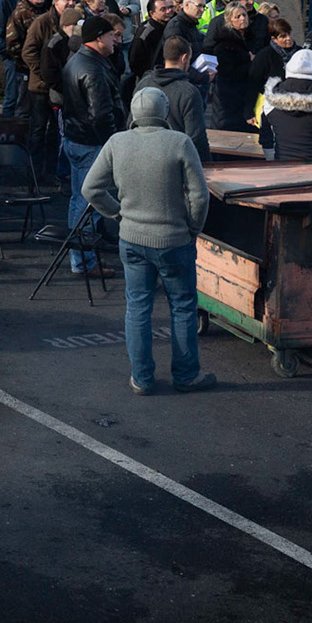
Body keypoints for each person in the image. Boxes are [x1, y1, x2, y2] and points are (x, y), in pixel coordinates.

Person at [83, 87, 215, 395]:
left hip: (131, 238)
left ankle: (141, 379)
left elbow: (91, 190)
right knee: (182, 306)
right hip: (174, 239)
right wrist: (193, 227)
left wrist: (117, 214)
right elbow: (199, 195)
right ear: (164, 111)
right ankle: (186, 375)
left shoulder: (117, 142)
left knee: (137, 307)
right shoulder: (179, 143)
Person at [56, 15, 123, 275]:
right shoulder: (93, 69)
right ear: (98, 38)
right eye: (111, 35)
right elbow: (100, 114)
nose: (116, 40)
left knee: (79, 200)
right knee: (88, 203)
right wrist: (113, 142)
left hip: (76, 138)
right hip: (91, 143)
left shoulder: (79, 61)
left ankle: (81, 259)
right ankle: (84, 262)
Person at [21, 0, 76, 183]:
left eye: (73, 0)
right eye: (67, 0)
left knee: (55, 131)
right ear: (56, 2)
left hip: (60, 88)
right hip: (41, 88)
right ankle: (33, 172)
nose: (71, 3)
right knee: (37, 129)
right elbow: (28, 52)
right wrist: (45, 74)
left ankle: (51, 171)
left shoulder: (75, 23)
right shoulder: (42, 22)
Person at [136, 36, 210, 161]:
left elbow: (131, 123)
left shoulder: (143, 84)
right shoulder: (189, 92)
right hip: (175, 161)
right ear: (184, 58)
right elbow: (196, 137)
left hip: (143, 157)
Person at [206, 1, 261, 132]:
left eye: (244, 15)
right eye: (237, 17)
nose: (242, 19)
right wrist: (249, 60)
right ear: (229, 21)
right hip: (229, 100)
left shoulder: (253, 38)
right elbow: (229, 71)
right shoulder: (224, 45)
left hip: (249, 97)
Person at [0, 0, 34, 116]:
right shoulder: (4, 0)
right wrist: (9, 56)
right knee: (13, 97)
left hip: (26, 59)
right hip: (13, 58)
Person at [249, 17, 299, 148]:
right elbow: (253, 84)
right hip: (270, 106)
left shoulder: (300, 53)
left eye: (290, 34)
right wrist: (249, 111)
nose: (289, 38)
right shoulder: (265, 56)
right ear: (274, 39)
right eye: (283, 36)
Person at [129, 0, 175, 81]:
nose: (168, 11)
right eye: (163, 9)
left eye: (168, 8)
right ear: (152, 13)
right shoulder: (146, 33)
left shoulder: (169, 27)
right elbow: (135, 61)